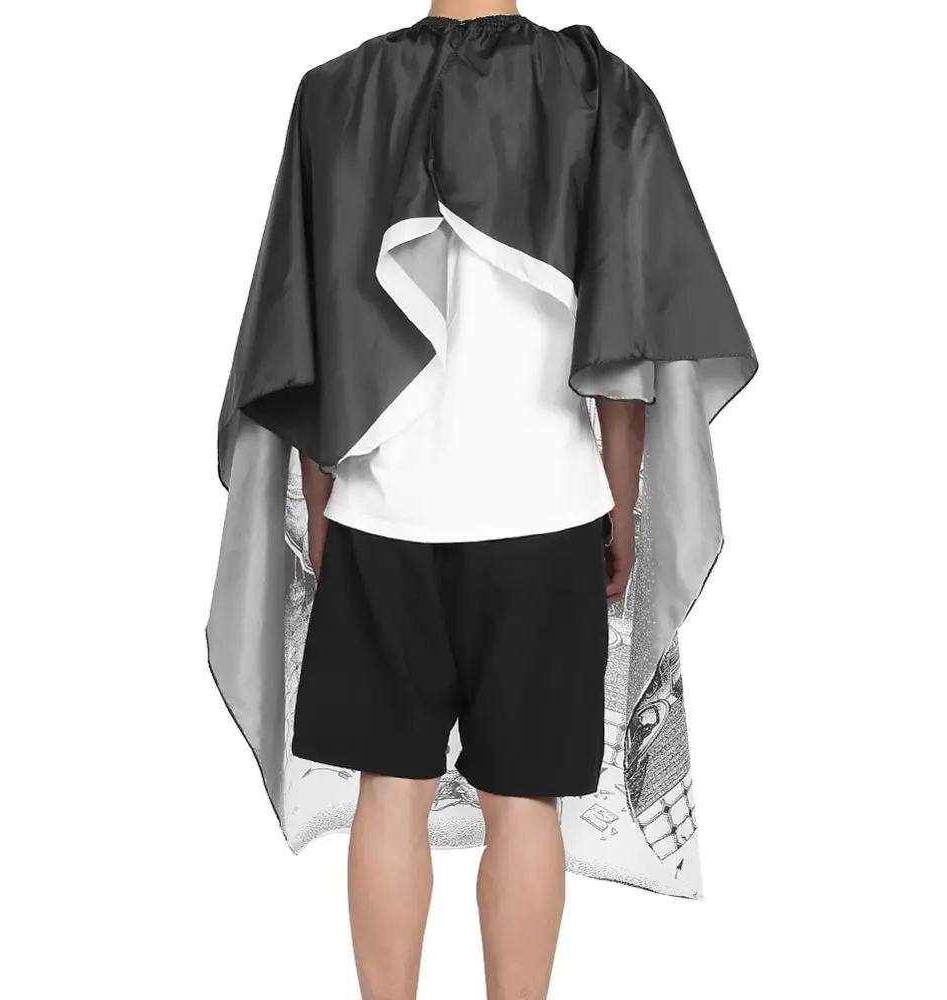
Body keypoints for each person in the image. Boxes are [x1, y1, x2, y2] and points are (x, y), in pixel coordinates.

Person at [206, 3, 758, 999]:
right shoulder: (598, 92)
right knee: (526, 803)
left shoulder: (336, 97)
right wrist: (619, 504)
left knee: (389, 794)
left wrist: (323, 503)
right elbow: (626, 329)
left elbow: (308, 333)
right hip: (547, 517)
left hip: (381, 515)